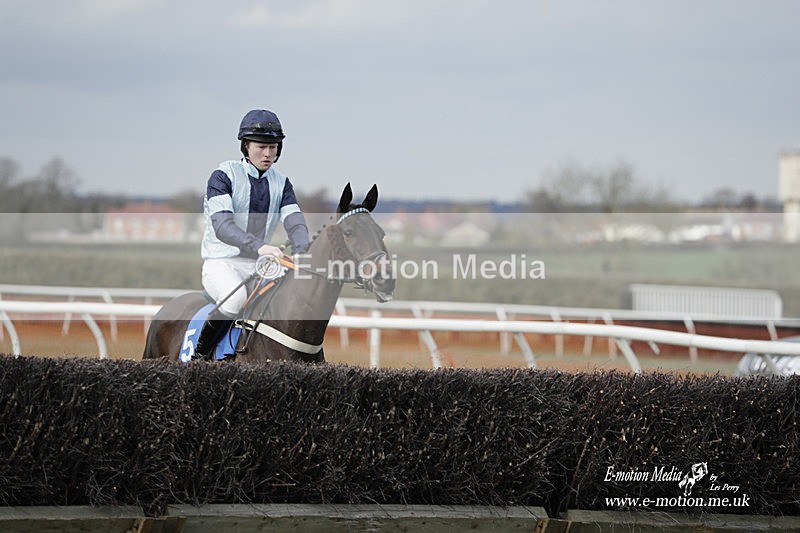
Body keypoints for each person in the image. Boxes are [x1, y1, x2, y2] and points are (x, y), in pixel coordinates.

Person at [194, 109, 310, 360]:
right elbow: (223, 227)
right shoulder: (222, 177)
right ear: (246, 146)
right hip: (222, 263)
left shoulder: (282, 183)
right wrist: (260, 246)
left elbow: (296, 223)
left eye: (274, 147)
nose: (268, 154)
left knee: (291, 298)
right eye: (261, 147)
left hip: (260, 265)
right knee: (234, 302)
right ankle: (199, 359)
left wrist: (302, 252)